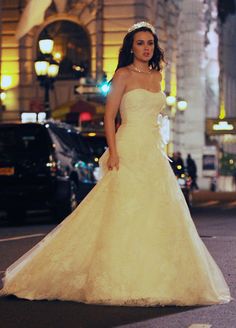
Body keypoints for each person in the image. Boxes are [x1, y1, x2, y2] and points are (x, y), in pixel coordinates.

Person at [0, 22, 231, 306]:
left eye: (149, 43)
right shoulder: (122, 75)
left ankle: (158, 275)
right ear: (131, 48)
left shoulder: (159, 76)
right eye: (140, 43)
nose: (146, 48)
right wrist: (115, 150)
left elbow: (158, 119)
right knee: (122, 208)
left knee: (158, 212)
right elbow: (110, 117)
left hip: (152, 152)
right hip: (128, 147)